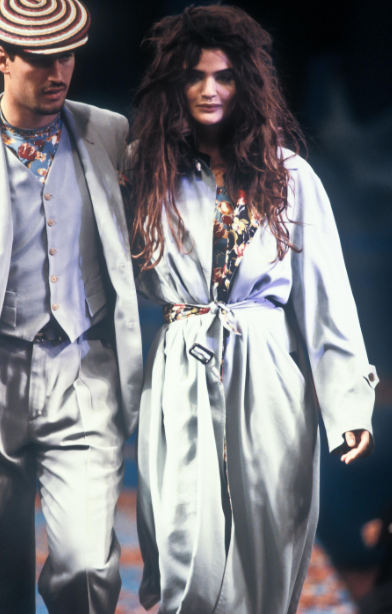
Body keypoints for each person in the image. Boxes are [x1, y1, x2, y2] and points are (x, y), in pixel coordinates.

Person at [125, 6, 378, 614]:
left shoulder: (289, 176)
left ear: (247, 83)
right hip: (182, 363)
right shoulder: (143, 168)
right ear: (174, 84)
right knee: (185, 547)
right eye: (194, 76)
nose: (209, 89)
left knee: (269, 544)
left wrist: (348, 402)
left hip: (268, 370)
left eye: (224, 76)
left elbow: (326, 295)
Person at [0, 1, 142, 613]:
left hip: (82, 365)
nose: (58, 73)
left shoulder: (109, 132)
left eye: (67, 56)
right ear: (2, 58)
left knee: (88, 565)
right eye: (41, 60)